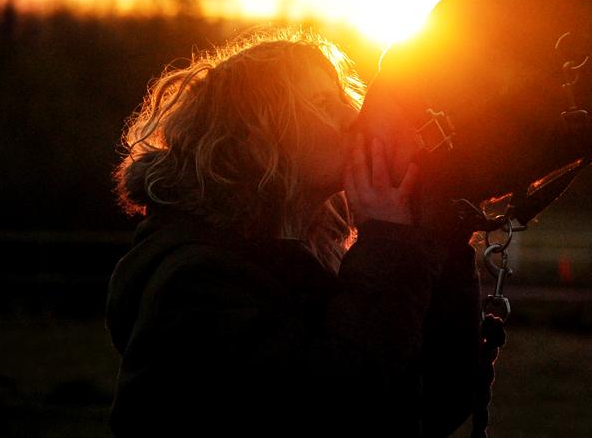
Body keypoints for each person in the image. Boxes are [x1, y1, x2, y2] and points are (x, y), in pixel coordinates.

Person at [105, 29, 481, 436]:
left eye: (341, 97)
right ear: (258, 140)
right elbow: (339, 405)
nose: (352, 116)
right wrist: (390, 244)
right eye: (321, 103)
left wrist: (439, 235)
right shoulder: (194, 284)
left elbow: (437, 402)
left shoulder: (316, 255)